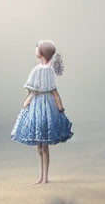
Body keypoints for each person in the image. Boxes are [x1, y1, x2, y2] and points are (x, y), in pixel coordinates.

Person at [11, 39, 73, 184]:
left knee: (43, 146)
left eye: (37, 48)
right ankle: (42, 177)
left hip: (42, 108)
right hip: (42, 106)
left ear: (42, 53)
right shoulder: (43, 69)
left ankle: (44, 177)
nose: (35, 50)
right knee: (41, 146)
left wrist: (60, 109)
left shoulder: (41, 70)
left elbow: (48, 91)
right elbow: (39, 92)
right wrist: (59, 108)